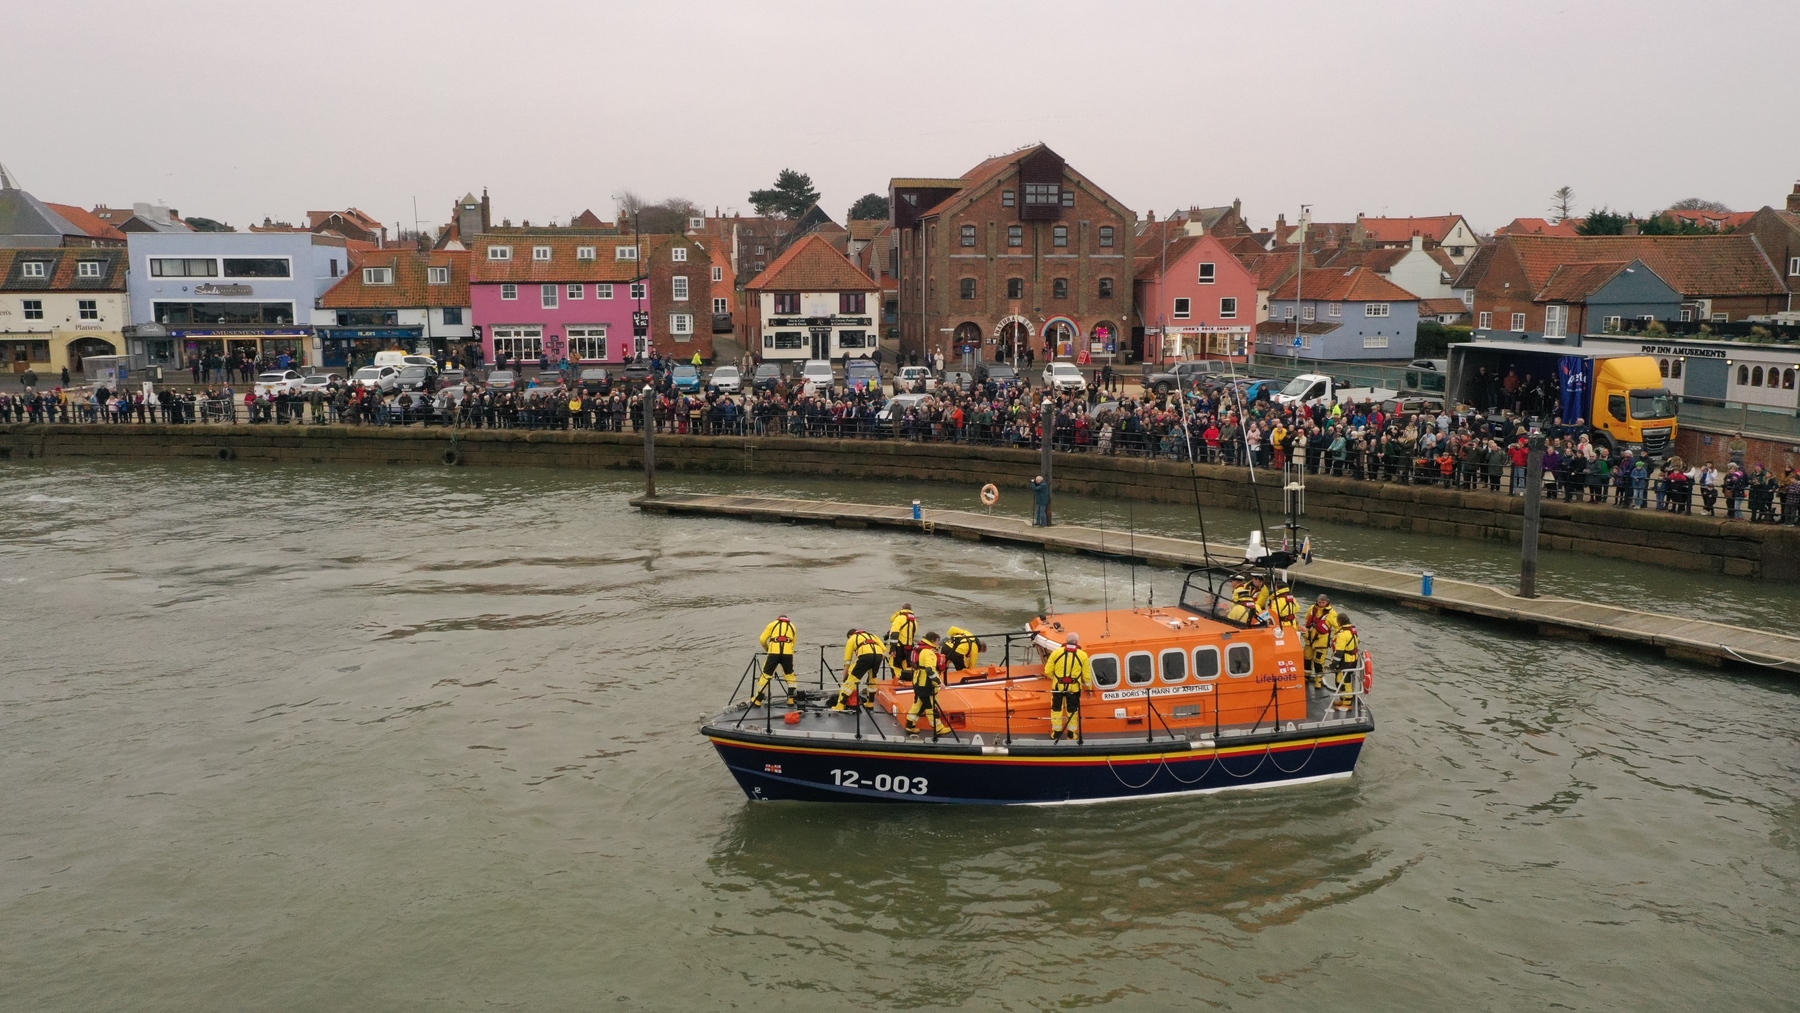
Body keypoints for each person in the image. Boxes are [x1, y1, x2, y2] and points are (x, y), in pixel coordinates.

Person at [1044, 632, 1094, 743]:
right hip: (1074, 688)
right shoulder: (1083, 655)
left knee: (1056, 709)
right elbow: (1086, 675)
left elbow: (1047, 671)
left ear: (1066, 641)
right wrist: (1089, 688)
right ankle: (1071, 734)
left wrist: (1056, 678)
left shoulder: (1056, 653)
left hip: (1058, 687)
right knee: (1072, 711)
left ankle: (1056, 733)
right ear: (1076, 642)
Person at [904, 632, 952, 739]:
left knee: (918, 704)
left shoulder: (921, 649)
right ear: (934, 640)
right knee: (931, 706)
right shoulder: (930, 653)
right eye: (938, 641)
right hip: (925, 684)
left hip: (917, 681)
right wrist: (939, 682)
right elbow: (930, 670)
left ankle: (910, 725)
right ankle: (938, 728)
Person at [833, 628, 886, 711]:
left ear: (850, 636)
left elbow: (847, 660)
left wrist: (845, 677)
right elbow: (884, 649)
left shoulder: (852, 639)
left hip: (865, 656)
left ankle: (840, 705)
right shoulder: (872, 636)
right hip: (879, 655)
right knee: (872, 678)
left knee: (852, 680)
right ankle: (870, 703)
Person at [750, 614, 798, 706]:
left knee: (766, 675)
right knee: (789, 675)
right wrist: (789, 651)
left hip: (773, 653)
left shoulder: (772, 624)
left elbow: (762, 639)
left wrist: (767, 648)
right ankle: (791, 699)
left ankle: (758, 700)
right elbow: (794, 642)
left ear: (778, 619)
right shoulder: (792, 626)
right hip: (787, 654)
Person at [1329, 610, 1361, 712]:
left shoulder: (1342, 634)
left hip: (1346, 661)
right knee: (1341, 680)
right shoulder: (1353, 631)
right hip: (1352, 659)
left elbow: (1339, 652)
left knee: (1345, 681)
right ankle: (1343, 699)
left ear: (1339, 622)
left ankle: (1347, 703)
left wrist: (1333, 664)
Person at [1304, 594, 1339, 683]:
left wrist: (1336, 639)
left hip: (1321, 642)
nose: (1321, 604)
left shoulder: (1332, 613)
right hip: (1309, 641)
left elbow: (1337, 627)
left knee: (1318, 662)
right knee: (1307, 659)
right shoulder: (1312, 608)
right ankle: (1306, 677)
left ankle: (1318, 681)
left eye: (1323, 602)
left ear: (1327, 602)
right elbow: (1307, 618)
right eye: (1319, 602)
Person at [887, 603, 919, 677]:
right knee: (907, 665)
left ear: (902, 609)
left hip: (898, 646)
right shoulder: (914, 621)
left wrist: (893, 648)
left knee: (895, 665)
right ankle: (908, 681)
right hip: (909, 647)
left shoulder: (899, 618)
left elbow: (895, 633)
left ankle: (897, 682)